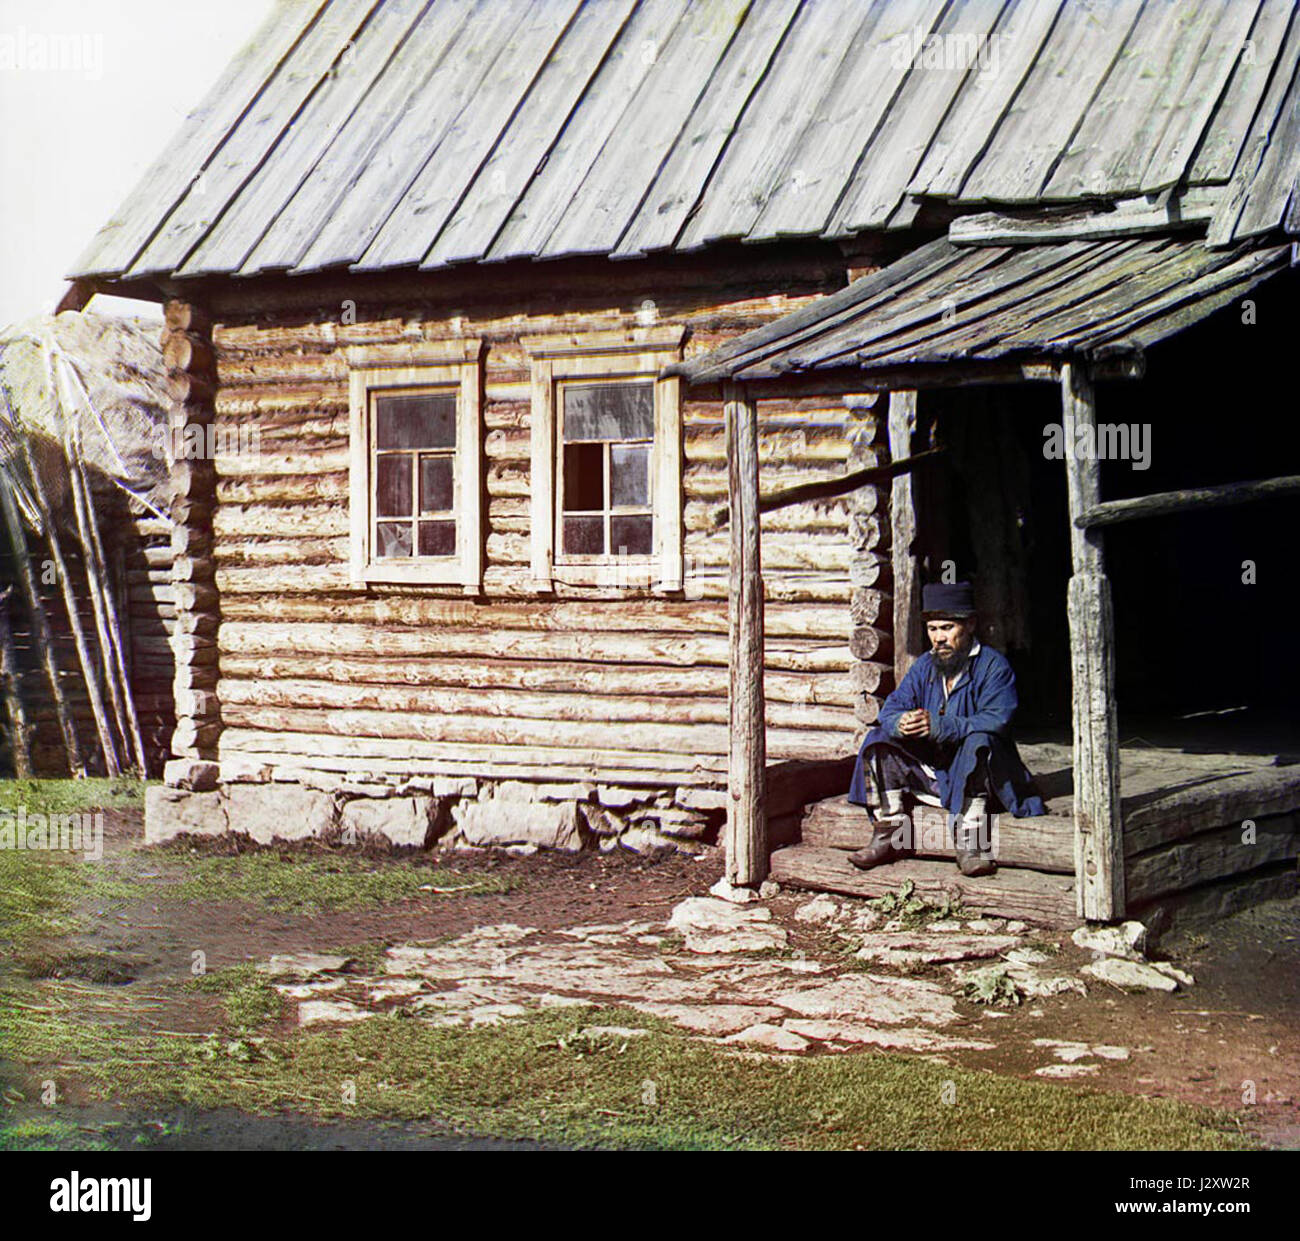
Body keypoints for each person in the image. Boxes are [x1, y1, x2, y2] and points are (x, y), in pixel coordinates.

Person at [847, 580, 1046, 877]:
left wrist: (940, 725)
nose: (939, 638)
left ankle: (972, 844)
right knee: (879, 739)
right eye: (932, 629)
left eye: (947, 628)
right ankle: (889, 834)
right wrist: (900, 722)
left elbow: (997, 718)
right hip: (935, 772)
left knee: (979, 740)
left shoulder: (994, 667)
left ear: (970, 625)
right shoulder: (925, 666)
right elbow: (891, 708)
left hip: (984, 774)